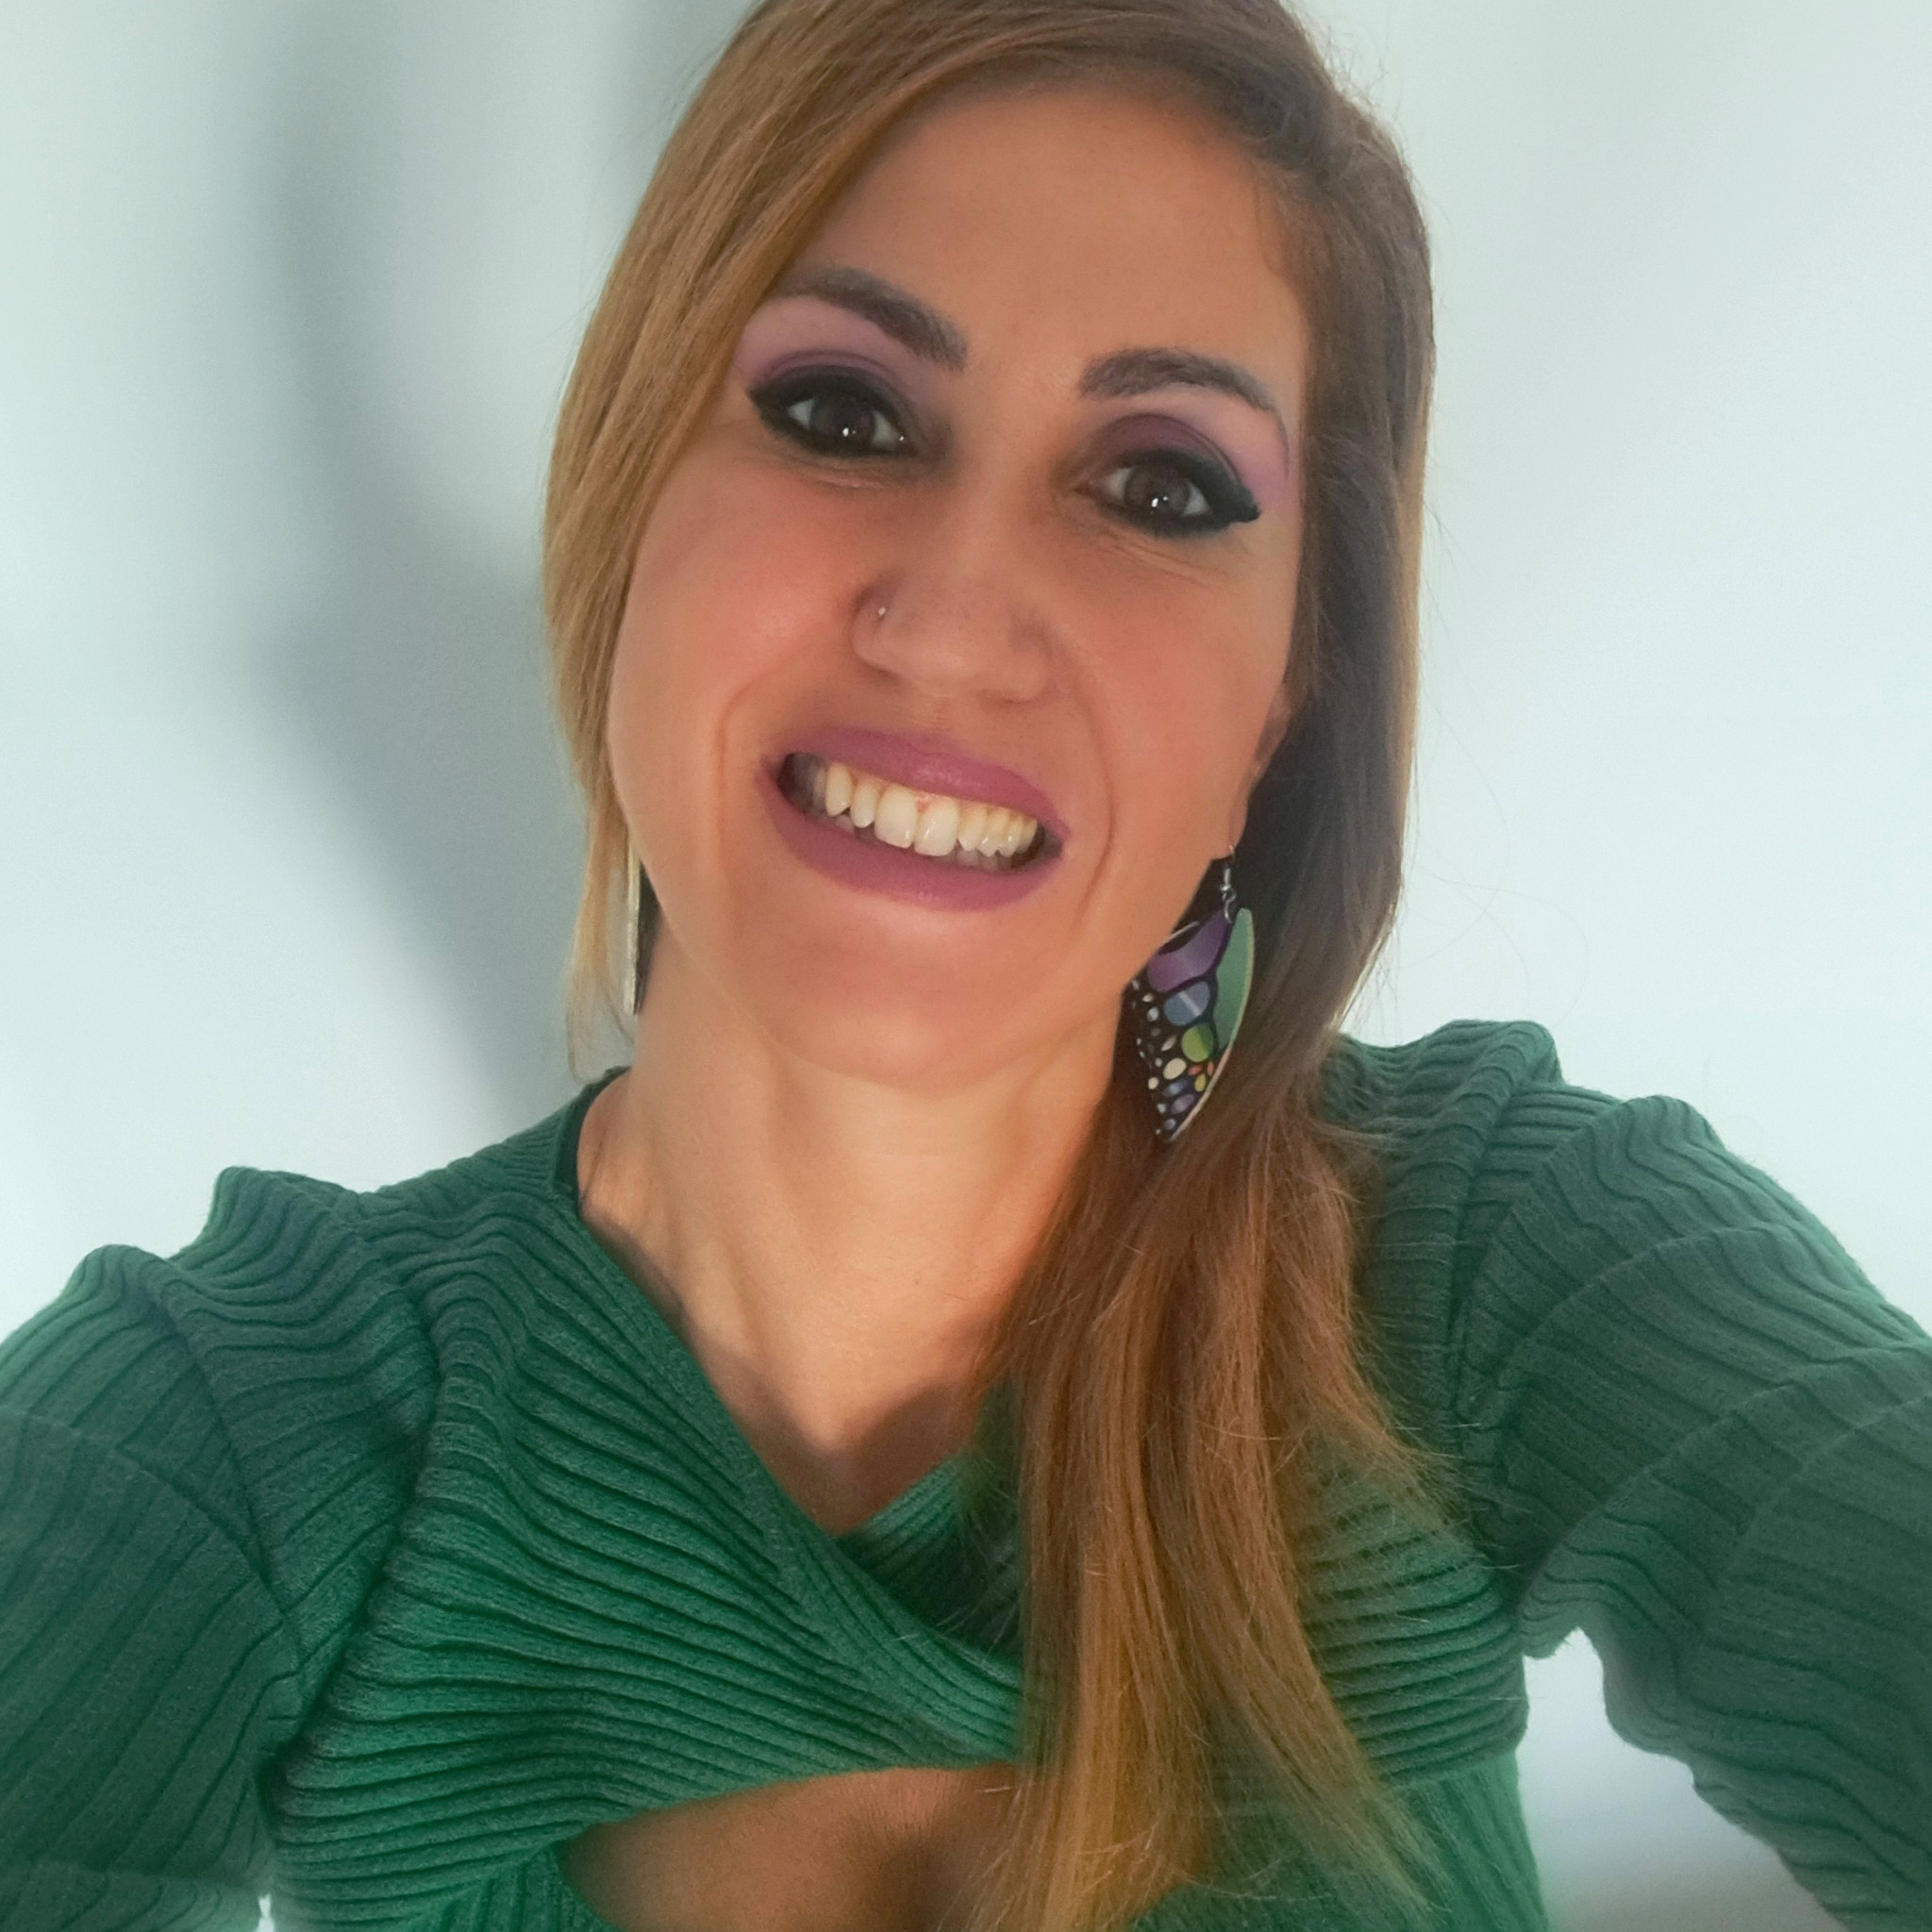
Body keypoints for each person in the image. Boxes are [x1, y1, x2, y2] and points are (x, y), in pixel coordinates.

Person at [2, 0, 1926, 1927]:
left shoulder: (1496, 1255)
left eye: (1160, 488)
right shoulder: (212, 1436)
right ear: (629, 496)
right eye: (843, 414)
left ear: (1282, 699)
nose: (953, 620)